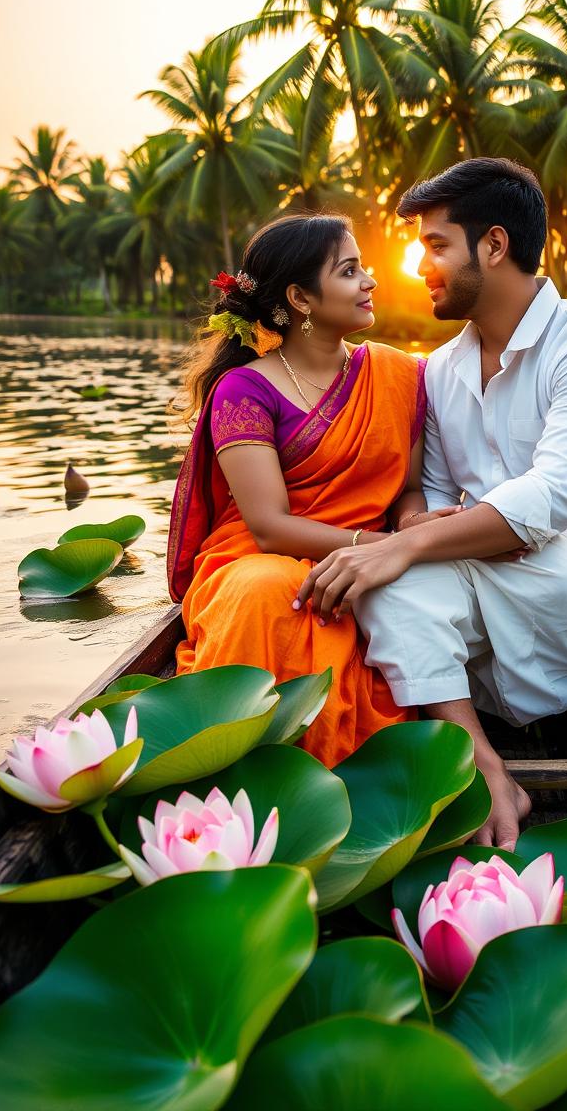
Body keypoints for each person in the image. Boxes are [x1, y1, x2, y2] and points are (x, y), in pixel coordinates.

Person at [294, 158, 567, 846]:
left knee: (405, 567)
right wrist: (411, 525)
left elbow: (550, 499)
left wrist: (406, 544)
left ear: (493, 246)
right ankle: (483, 761)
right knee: (386, 588)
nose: (421, 264)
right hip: (497, 572)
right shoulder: (441, 370)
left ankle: (471, 682)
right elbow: (430, 493)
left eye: (436, 245)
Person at [167, 213, 445, 768]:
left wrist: (414, 530)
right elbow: (269, 527)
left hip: (364, 555)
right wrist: (380, 548)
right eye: (349, 271)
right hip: (256, 558)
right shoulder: (242, 390)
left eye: (364, 268)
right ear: (300, 297)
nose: (370, 281)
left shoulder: (398, 375)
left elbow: (409, 490)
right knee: (269, 591)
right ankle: (238, 765)